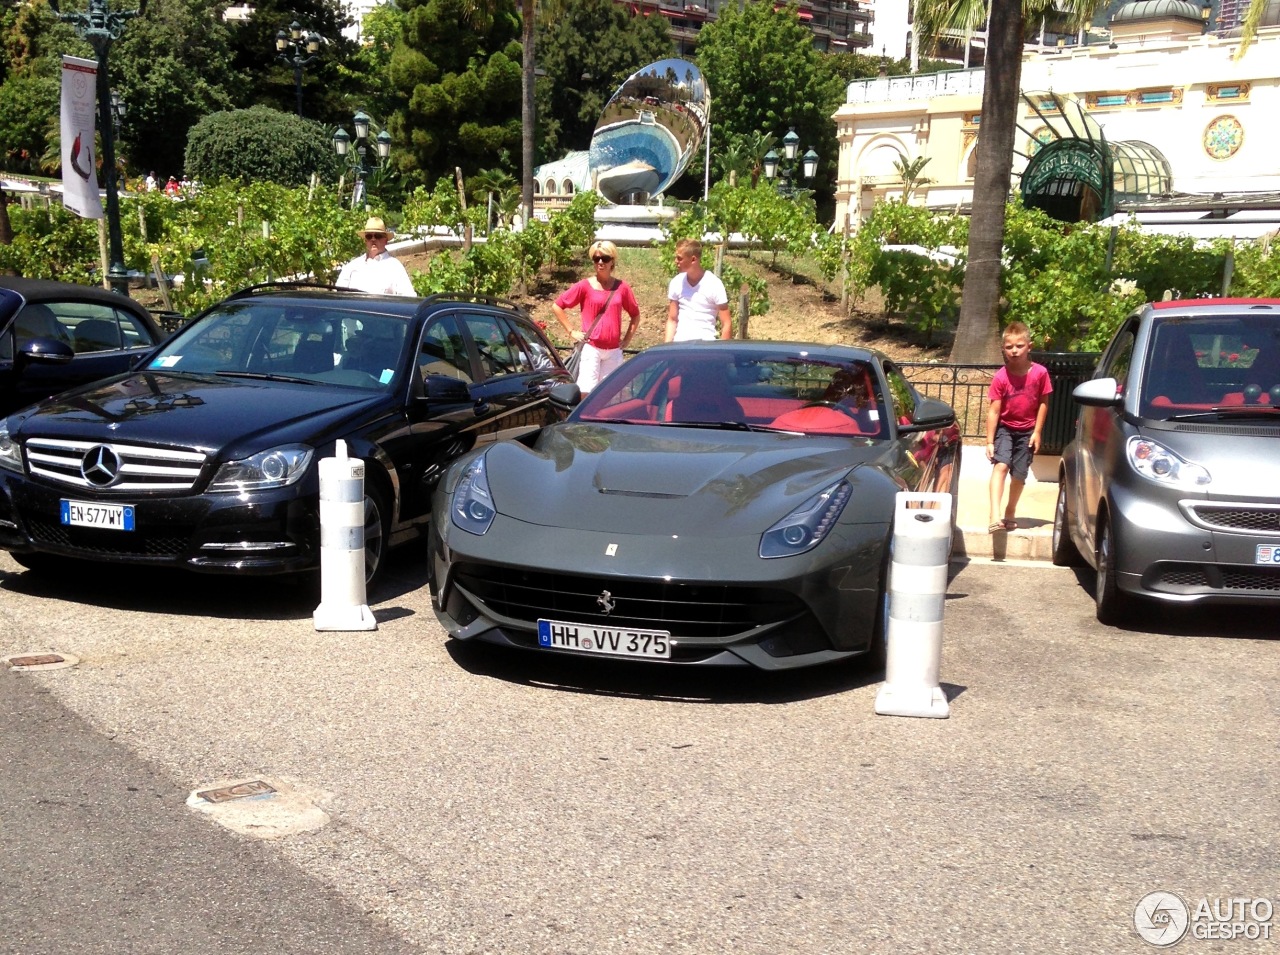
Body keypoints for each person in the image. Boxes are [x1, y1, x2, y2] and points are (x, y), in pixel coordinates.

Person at [986, 320, 1053, 533]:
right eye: (1009, 347)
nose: (1014, 351)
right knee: (1001, 466)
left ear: (1029, 347)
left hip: (1027, 430)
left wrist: (1037, 431)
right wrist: (989, 441)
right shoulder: (1001, 377)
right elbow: (994, 410)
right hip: (1005, 428)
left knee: (1019, 475)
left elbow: (1043, 403)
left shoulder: (1040, 373)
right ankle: (994, 515)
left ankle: (1010, 510)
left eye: (1019, 346)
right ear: (1003, 349)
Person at [551, 240, 641, 393]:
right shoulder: (585, 286)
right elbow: (557, 306)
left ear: (612, 261)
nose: (600, 262)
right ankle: (583, 418)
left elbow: (635, 315)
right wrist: (571, 331)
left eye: (605, 258)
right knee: (586, 391)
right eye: (596, 258)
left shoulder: (622, 287)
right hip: (592, 347)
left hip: (613, 350)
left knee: (610, 394)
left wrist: (627, 339)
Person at [665, 239, 731, 342]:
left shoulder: (714, 284)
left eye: (679, 258)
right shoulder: (676, 282)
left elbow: (726, 323)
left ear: (693, 259)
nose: (676, 261)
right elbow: (672, 319)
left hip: (705, 348)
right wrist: (667, 348)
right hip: (679, 346)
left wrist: (721, 353)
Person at [336, 216, 415, 296]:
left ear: (386, 240)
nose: (373, 239)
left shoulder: (395, 267)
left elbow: (408, 297)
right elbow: (338, 296)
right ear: (365, 240)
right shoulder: (352, 266)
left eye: (378, 236)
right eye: (369, 236)